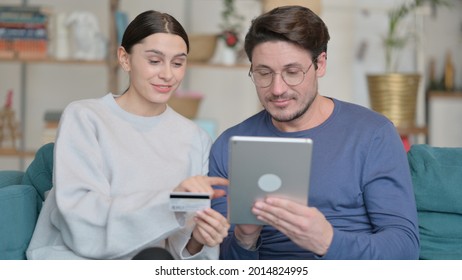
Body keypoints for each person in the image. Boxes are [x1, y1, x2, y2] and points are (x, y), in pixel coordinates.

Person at [209, 5, 420, 259]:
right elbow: (218, 264)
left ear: (320, 64)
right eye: (263, 73)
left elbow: (404, 250)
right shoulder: (229, 146)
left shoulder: (372, 134)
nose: (277, 89)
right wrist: (245, 237)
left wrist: (328, 241)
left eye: (292, 72)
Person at [26, 10, 229, 260]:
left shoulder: (195, 138)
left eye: (177, 63)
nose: (168, 74)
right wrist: (172, 201)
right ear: (124, 58)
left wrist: (198, 239)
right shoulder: (85, 117)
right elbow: (82, 222)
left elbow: (182, 248)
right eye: (154, 61)